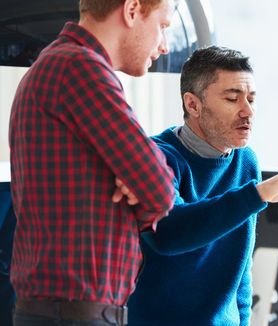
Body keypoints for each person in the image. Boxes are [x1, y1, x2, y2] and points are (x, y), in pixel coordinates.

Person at [127, 46, 278, 325]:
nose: (247, 111)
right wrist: (257, 195)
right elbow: (167, 232)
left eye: (251, 99)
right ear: (193, 104)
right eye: (233, 99)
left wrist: (244, 321)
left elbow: (241, 266)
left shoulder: (246, 161)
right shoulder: (156, 156)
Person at [8, 1, 177, 325]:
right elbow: (159, 189)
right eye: (163, 26)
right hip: (73, 314)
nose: (164, 45)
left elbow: (152, 182)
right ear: (132, 10)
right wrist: (141, 189)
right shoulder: (79, 68)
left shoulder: (58, 64)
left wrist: (140, 182)